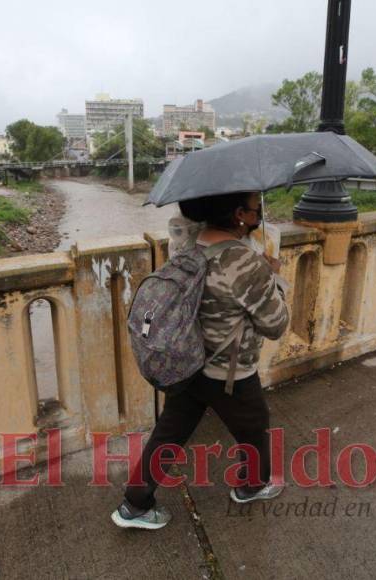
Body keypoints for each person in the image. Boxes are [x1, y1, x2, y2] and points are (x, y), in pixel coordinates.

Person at [111, 191, 290, 530]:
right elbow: (276, 325)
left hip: (185, 364)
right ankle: (252, 486)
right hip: (229, 372)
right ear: (239, 214)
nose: (259, 213)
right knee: (254, 428)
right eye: (256, 209)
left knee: (168, 434)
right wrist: (274, 278)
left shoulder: (188, 246)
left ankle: (134, 504)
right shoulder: (246, 262)